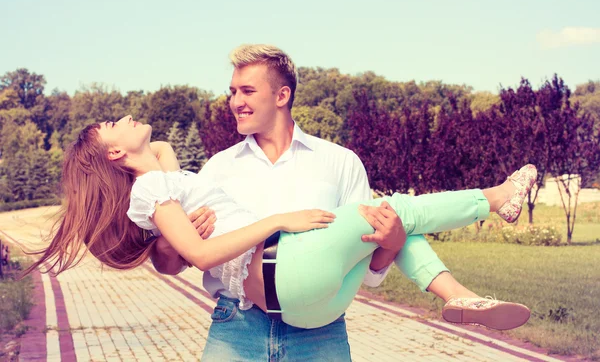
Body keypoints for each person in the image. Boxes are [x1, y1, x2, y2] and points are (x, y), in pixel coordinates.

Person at [151, 44, 533, 361]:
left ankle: (471, 261)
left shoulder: (339, 162)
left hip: (320, 333)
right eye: (232, 92)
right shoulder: (217, 169)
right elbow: (177, 261)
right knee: (395, 209)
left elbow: (368, 272)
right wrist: (169, 244)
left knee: (392, 219)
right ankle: (475, 251)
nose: (235, 102)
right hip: (237, 327)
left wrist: (393, 243)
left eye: (247, 91)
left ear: (282, 95)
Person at [23, 115, 535, 331]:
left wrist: (143, 155)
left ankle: (458, 296)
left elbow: (159, 152)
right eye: (118, 124)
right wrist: (277, 220)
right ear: (115, 150)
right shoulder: (152, 190)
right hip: (285, 272)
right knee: (394, 208)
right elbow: (197, 256)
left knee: (393, 225)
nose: (130, 116)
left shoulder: (162, 180)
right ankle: (497, 198)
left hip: (308, 304)